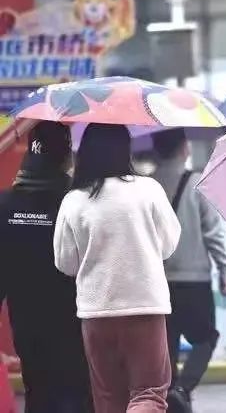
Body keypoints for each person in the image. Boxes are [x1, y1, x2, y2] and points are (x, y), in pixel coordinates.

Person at [53, 123, 181, 413]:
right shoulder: (148, 189)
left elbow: (65, 263)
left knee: (108, 397)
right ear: (126, 149)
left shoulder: (74, 199)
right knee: (149, 394)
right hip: (145, 307)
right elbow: (168, 245)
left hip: (96, 313)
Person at [0, 122, 93, 412]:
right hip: (75, 322)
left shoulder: (4, 205)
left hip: (26, 324)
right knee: (76, 395)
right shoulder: (77, 204)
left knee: (38, 392)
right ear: (66, 156)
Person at [151, 129, 226, 412]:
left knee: (166, 345)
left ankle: (171, 397)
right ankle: (183, 389)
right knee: (206, 337)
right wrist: (224, 270)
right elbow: (213, 233)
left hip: (156, 283)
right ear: (184, 147)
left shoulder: (146, 186)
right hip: (194, 280)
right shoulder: (198, 183)